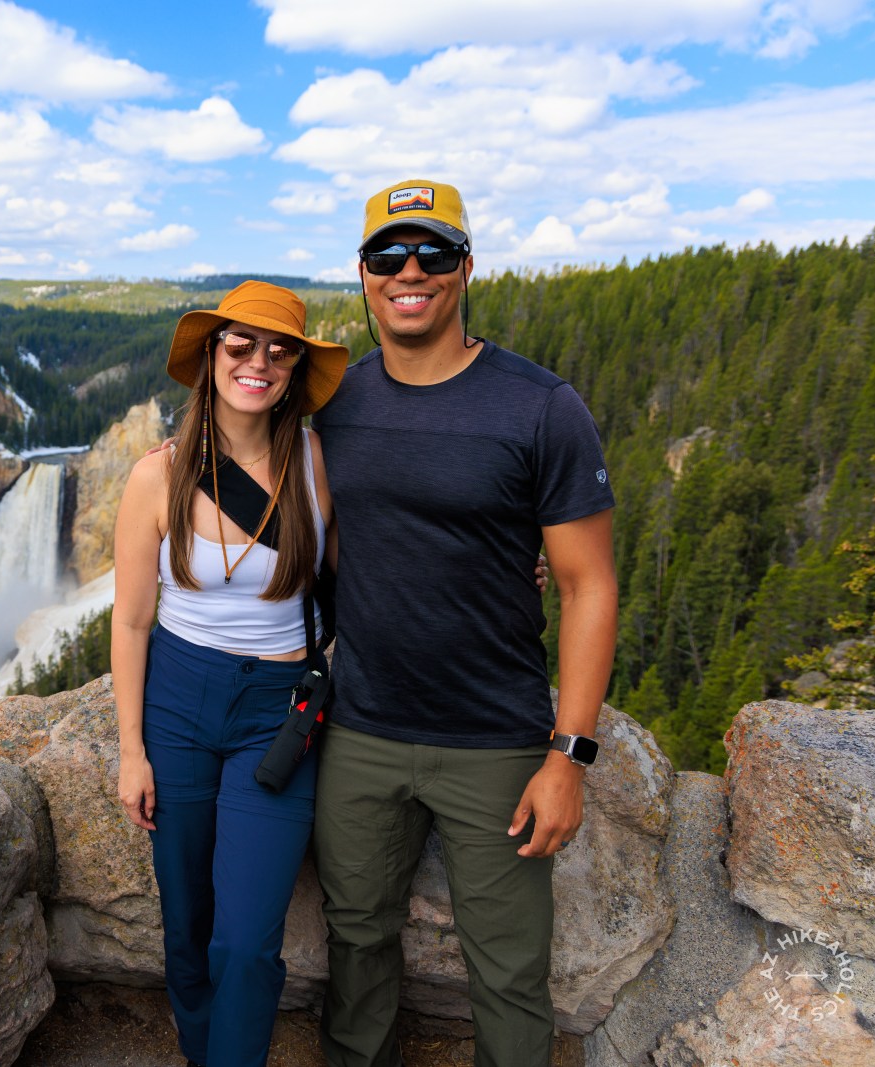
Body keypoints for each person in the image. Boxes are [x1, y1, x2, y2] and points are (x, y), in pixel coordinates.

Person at [310, 179, 619, 1066]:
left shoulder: (539, 407)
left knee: (512, 971)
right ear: (363, 274)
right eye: (389, 255)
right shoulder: (334, 401)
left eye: (433, 253)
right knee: (356, 943)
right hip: (360, 731)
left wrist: (570, 755)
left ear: (466, 267)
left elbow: (589, 585)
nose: (411, 271)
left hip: (497, 741)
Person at [111, 280, 348, 1067]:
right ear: (211, 354)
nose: (259, 361)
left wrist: (509, 571)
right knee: (187, 925)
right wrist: (130, 749)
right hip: (176, 705)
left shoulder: (316, 463)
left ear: (295, 369)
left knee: (245, 940)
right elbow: (133, 619)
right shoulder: (160, 475)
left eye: (280, 350)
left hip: (275, 715)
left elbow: (378, 568)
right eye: (240, 344)